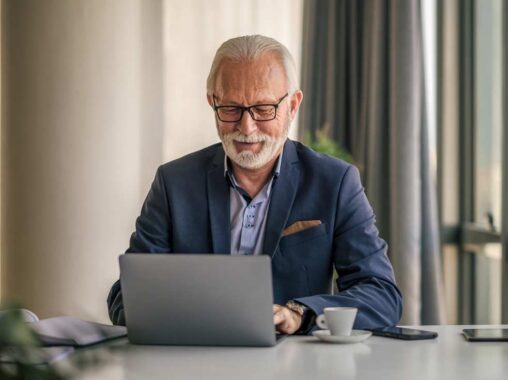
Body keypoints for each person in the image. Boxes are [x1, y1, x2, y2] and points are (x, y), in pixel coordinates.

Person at [107, 35, 402, 334]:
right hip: (194, 360)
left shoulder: (335, 182)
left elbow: (381, 294)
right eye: (231, 109)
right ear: (212, 102)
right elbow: (124, 298)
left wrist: (299, 313)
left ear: (293, 105)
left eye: (263, 109)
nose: (247, 128)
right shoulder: (174, 184)